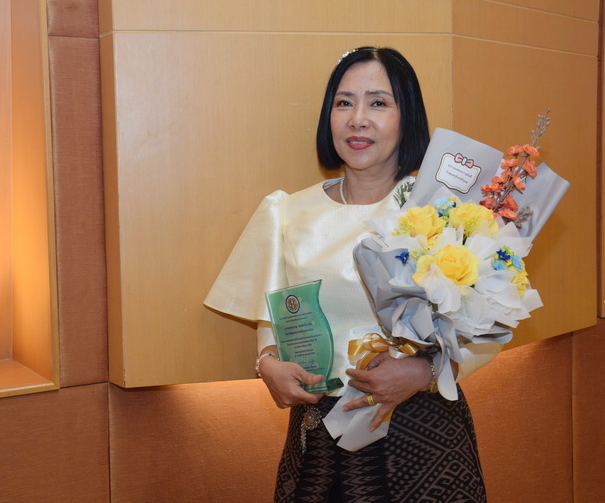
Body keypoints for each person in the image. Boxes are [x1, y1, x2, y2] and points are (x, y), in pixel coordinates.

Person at [205, 47, 499, 502]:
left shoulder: (442, 211)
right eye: (344, 103)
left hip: (423, 437)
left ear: (407, 117)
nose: (357, 119)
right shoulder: (289, 212)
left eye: (378, 103)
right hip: (318, 438)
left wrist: (422, 371)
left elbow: (490, 327)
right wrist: (267, 363)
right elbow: (274, 312)